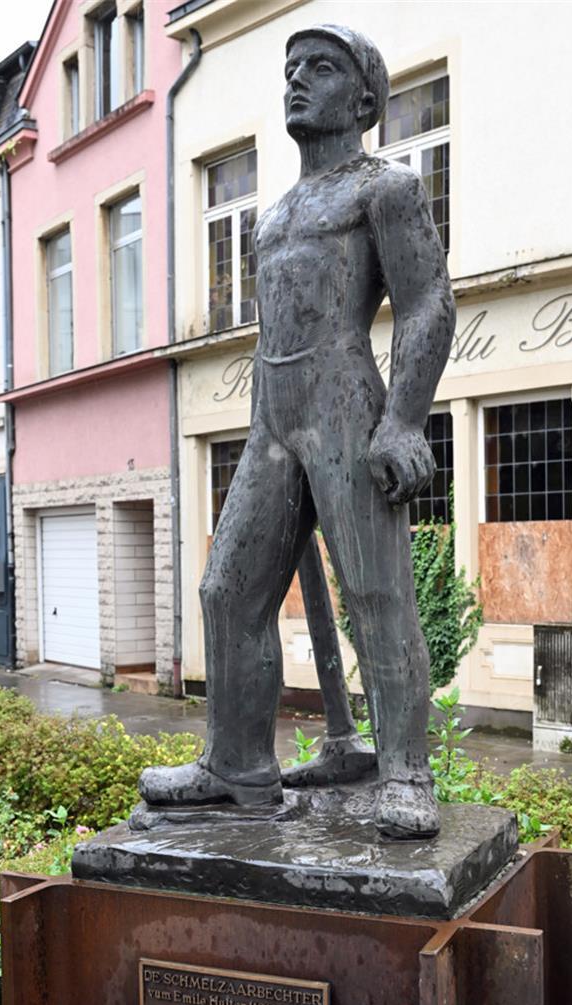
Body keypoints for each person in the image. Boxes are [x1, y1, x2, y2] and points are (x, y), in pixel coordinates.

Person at [140, 24, 455, 837]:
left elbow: (428, 303)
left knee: (377, 594)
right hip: (273, 419)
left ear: (362, 98)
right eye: (290, 69)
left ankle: (406, 774)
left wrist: (403, 421)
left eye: (320, 68)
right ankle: (237, 767)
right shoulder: (274, 217)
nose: (296, 81)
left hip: (346, 406)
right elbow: (271, 332)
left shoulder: (383, 190)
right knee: (226, 591)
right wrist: (257, 436)